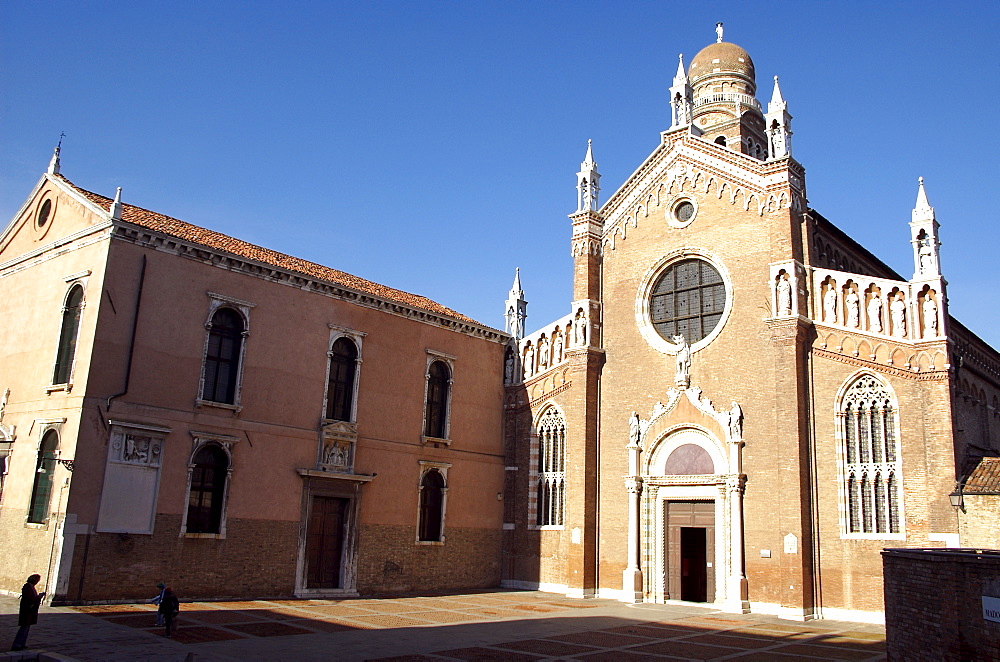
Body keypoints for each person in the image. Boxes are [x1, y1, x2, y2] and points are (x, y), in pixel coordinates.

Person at [11, 574, 44, 651]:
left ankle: (22, 643)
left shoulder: (30, 587)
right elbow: (30, 599)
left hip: (29, 611)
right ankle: (17, 644)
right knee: (24, 627)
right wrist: (39, 597)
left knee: (26, 628)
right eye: (37, 580)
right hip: (27, 611)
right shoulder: (27, 587)